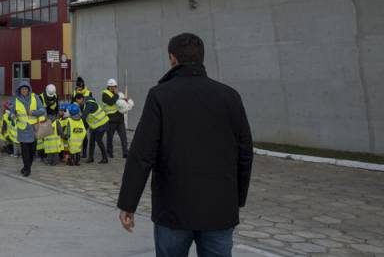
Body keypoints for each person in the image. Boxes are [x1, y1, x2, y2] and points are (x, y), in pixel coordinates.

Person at [117, 33, 253, 257]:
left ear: (172, 58)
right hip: (220, 209)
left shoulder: (160, 95)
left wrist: (128, 203)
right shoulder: (230, 96)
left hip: (173, 209)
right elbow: (245, 153)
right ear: (202, 57)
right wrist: (236, 198)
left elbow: (142, 154)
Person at [13, 80, 46, 177]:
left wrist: (33, 112)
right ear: (19, 90)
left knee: (32, 152)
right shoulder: (16, 99)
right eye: (22, 89)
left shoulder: (35, 97)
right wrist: (12, 116)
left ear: (29, 89)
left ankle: (26, 167)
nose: (24, 90)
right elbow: (11, 112)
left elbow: (42, 110)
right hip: (23, 129)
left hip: (33, 129)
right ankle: (27, 169)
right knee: (25, 152)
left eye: (25, 89)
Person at [73, 93, 109, 164]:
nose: (78, 103)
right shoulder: (84, 104)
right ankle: (91, 158)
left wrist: (74, 121)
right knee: (91, 141)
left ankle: (105, 158)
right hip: (94, 126)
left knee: (99, 140)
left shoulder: (89, 104)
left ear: (81, 99)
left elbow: (84, 115)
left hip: (102, 123)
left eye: (78, 101)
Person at [102, 79, 130, 159]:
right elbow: (111, 102)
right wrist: (118, 95)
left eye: (114, 86)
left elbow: (121, 103)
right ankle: (109, 152)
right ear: (108, 87)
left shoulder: (117, 94)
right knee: (110, 137)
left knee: (123, 137)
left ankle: (125, 152)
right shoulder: (105, 94)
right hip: (111, 120)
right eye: (111, 86)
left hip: (120, 119)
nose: (113, 88)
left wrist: (126, 101)